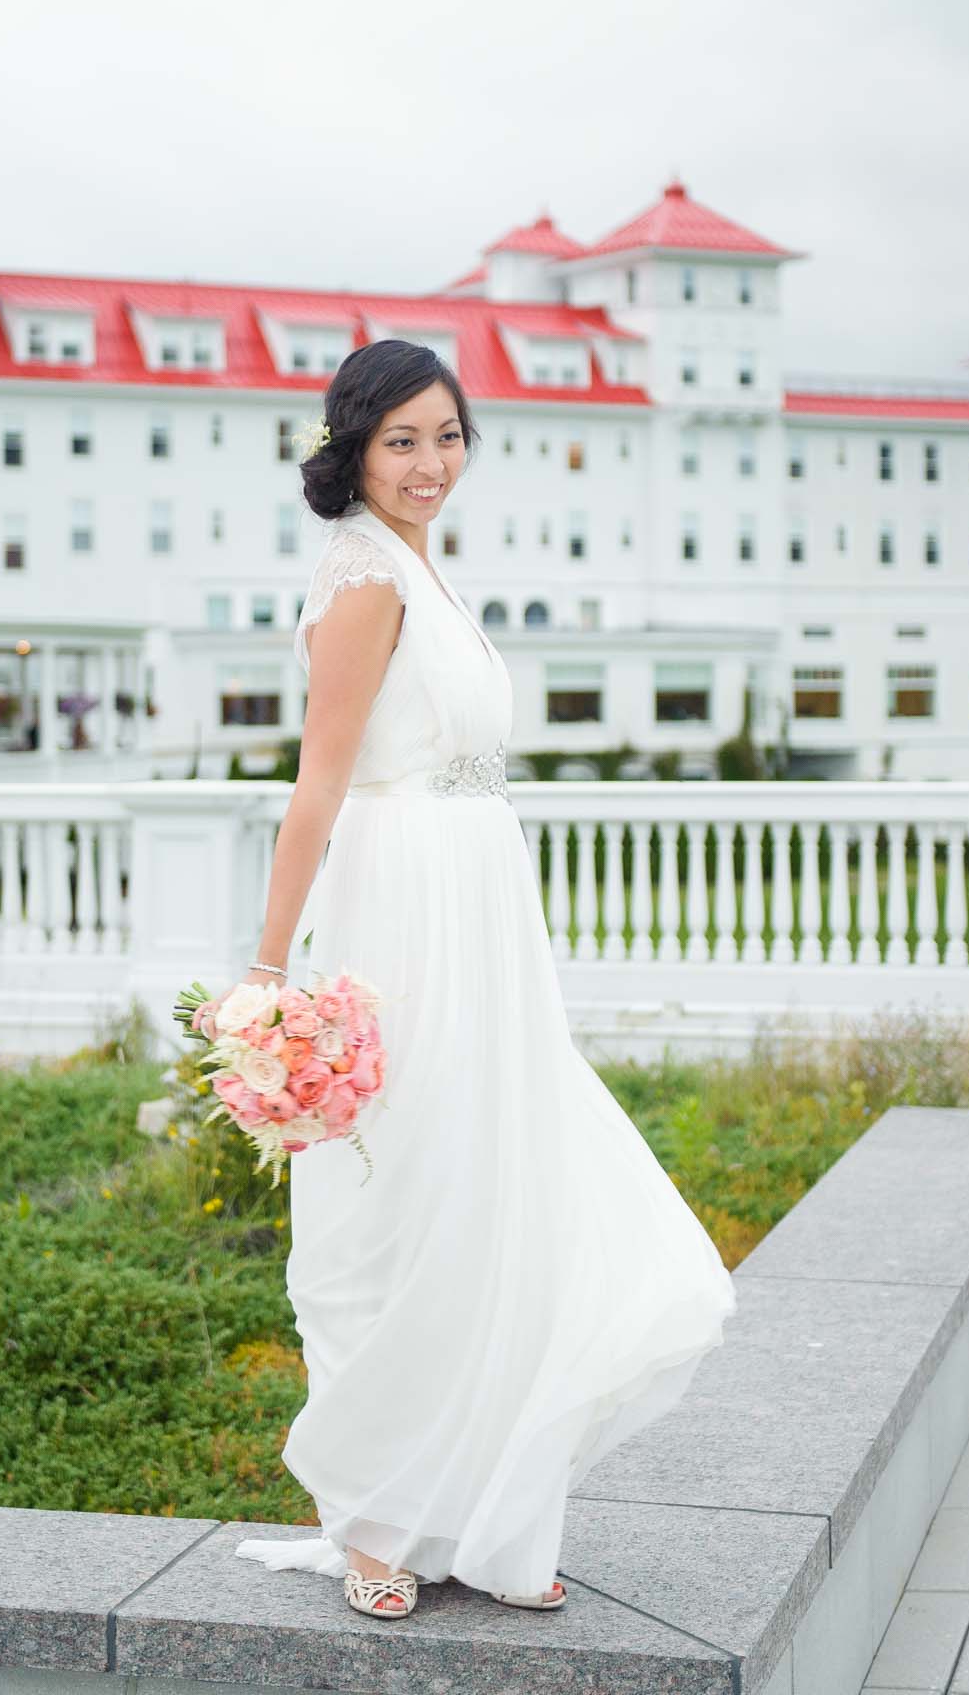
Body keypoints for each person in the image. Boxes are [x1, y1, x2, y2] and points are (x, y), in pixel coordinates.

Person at [222, 339, 736, 1621]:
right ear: (352, 447)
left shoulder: (428, 574)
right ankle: (376, 1520)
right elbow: (317, 784)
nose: (428, 462)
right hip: (396, 917)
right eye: (400, 439)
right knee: (400, 1205)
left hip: (481, 914)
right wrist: (266, 974)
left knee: (495, 1196)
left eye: (445, 435)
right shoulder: (359, 576)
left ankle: (482, 1514)